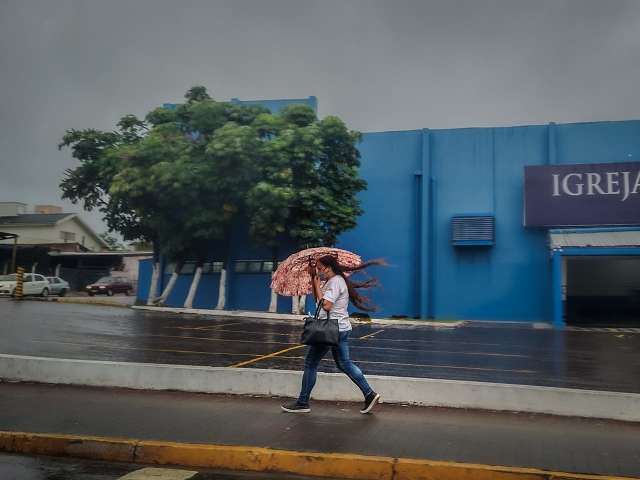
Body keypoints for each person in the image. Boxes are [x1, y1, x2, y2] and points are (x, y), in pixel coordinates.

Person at [281, 254, 384, 414]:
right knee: (344, 364)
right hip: (339, 329)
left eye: (321, 268)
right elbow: (318, 301)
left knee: (310, 363)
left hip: (330, 330)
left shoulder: (336, 281)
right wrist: (314, 281)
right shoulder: (331, 281)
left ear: (329, 267)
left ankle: (303, 402)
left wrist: (318, 286)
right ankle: (369, 394)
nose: (320, 271)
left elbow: (327, 306)